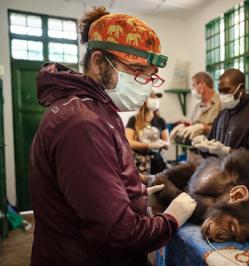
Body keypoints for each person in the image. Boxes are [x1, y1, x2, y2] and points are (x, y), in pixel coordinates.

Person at [29, 7, 196, 266]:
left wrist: (133, 192)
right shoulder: (81, 123)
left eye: (151, 76)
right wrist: (171, 219)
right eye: (139, 71)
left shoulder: (98, 110)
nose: (146, 85)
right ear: (98, 62)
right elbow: (117, 232)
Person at [193, 69, 249, 169]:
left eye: (227, 90)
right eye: (220, 91)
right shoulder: (222, 115)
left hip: (245, 178)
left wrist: (228, 152)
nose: (222, 95)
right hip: (221, 174)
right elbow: (212, 152)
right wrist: (204, 147)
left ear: (241, 88)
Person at [125, 92, 169, 174]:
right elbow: (129, 142)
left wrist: (162, 143)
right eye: (152, 97)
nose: (155, 100)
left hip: (157, 162)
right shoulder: (133, 120)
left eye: (156, 97)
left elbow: (167, 145)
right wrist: (148, 145)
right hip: (139, 162)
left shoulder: (160, 120)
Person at [170, 71, 221, 140]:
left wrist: (203, 127)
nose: (192, 89)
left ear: (202, 84)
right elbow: (192, 126)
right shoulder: (197, 107)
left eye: (193, 85)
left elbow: (222, 130)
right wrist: (184, 126)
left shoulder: (220, 103)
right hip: (194, 148)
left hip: (211, 148)